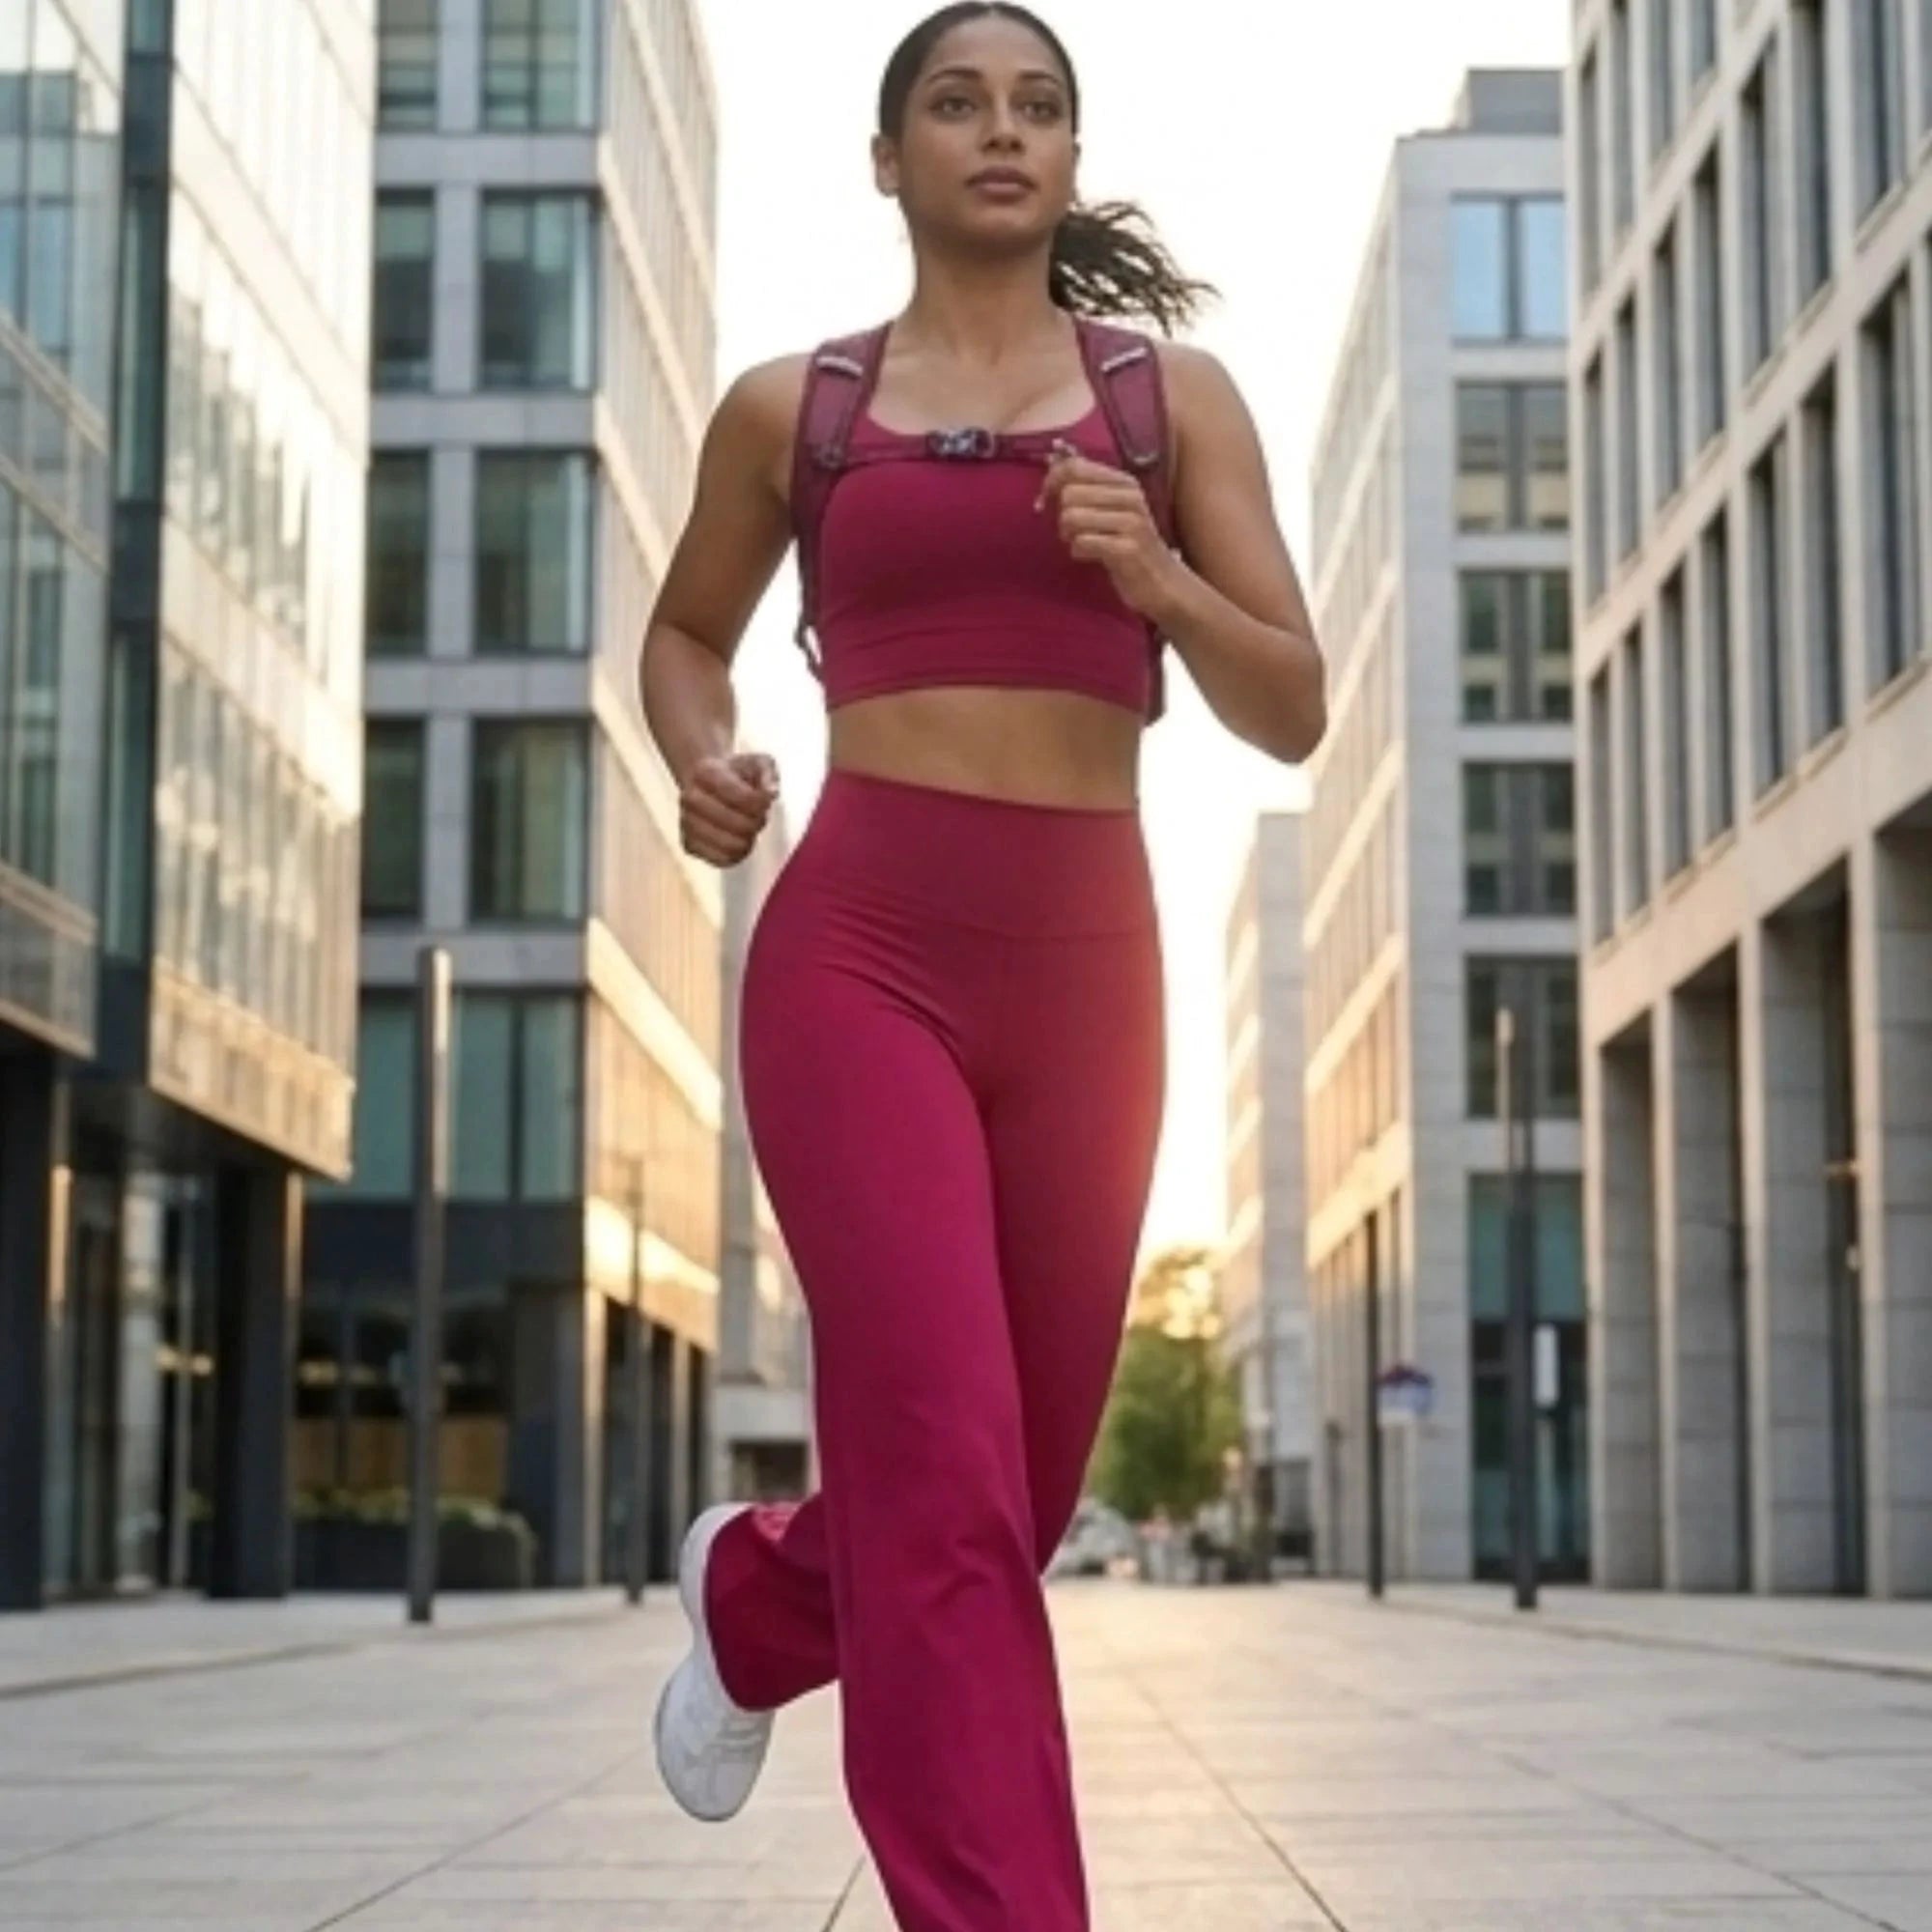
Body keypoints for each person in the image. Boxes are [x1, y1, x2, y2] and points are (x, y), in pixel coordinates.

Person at [637, 6, 1324, 1926]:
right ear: (888, 159)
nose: (998, 131)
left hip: (1088, 962)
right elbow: (685, 633)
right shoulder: (801, 407)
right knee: (940, 1478)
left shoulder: (1170, 405)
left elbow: (1294, 707)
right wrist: (706, 761)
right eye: (955, 103)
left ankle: (764, 1594)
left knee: (1001, 1485)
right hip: (858, 947)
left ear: (1071, 159)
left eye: (1036, 106)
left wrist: (1160, 581)